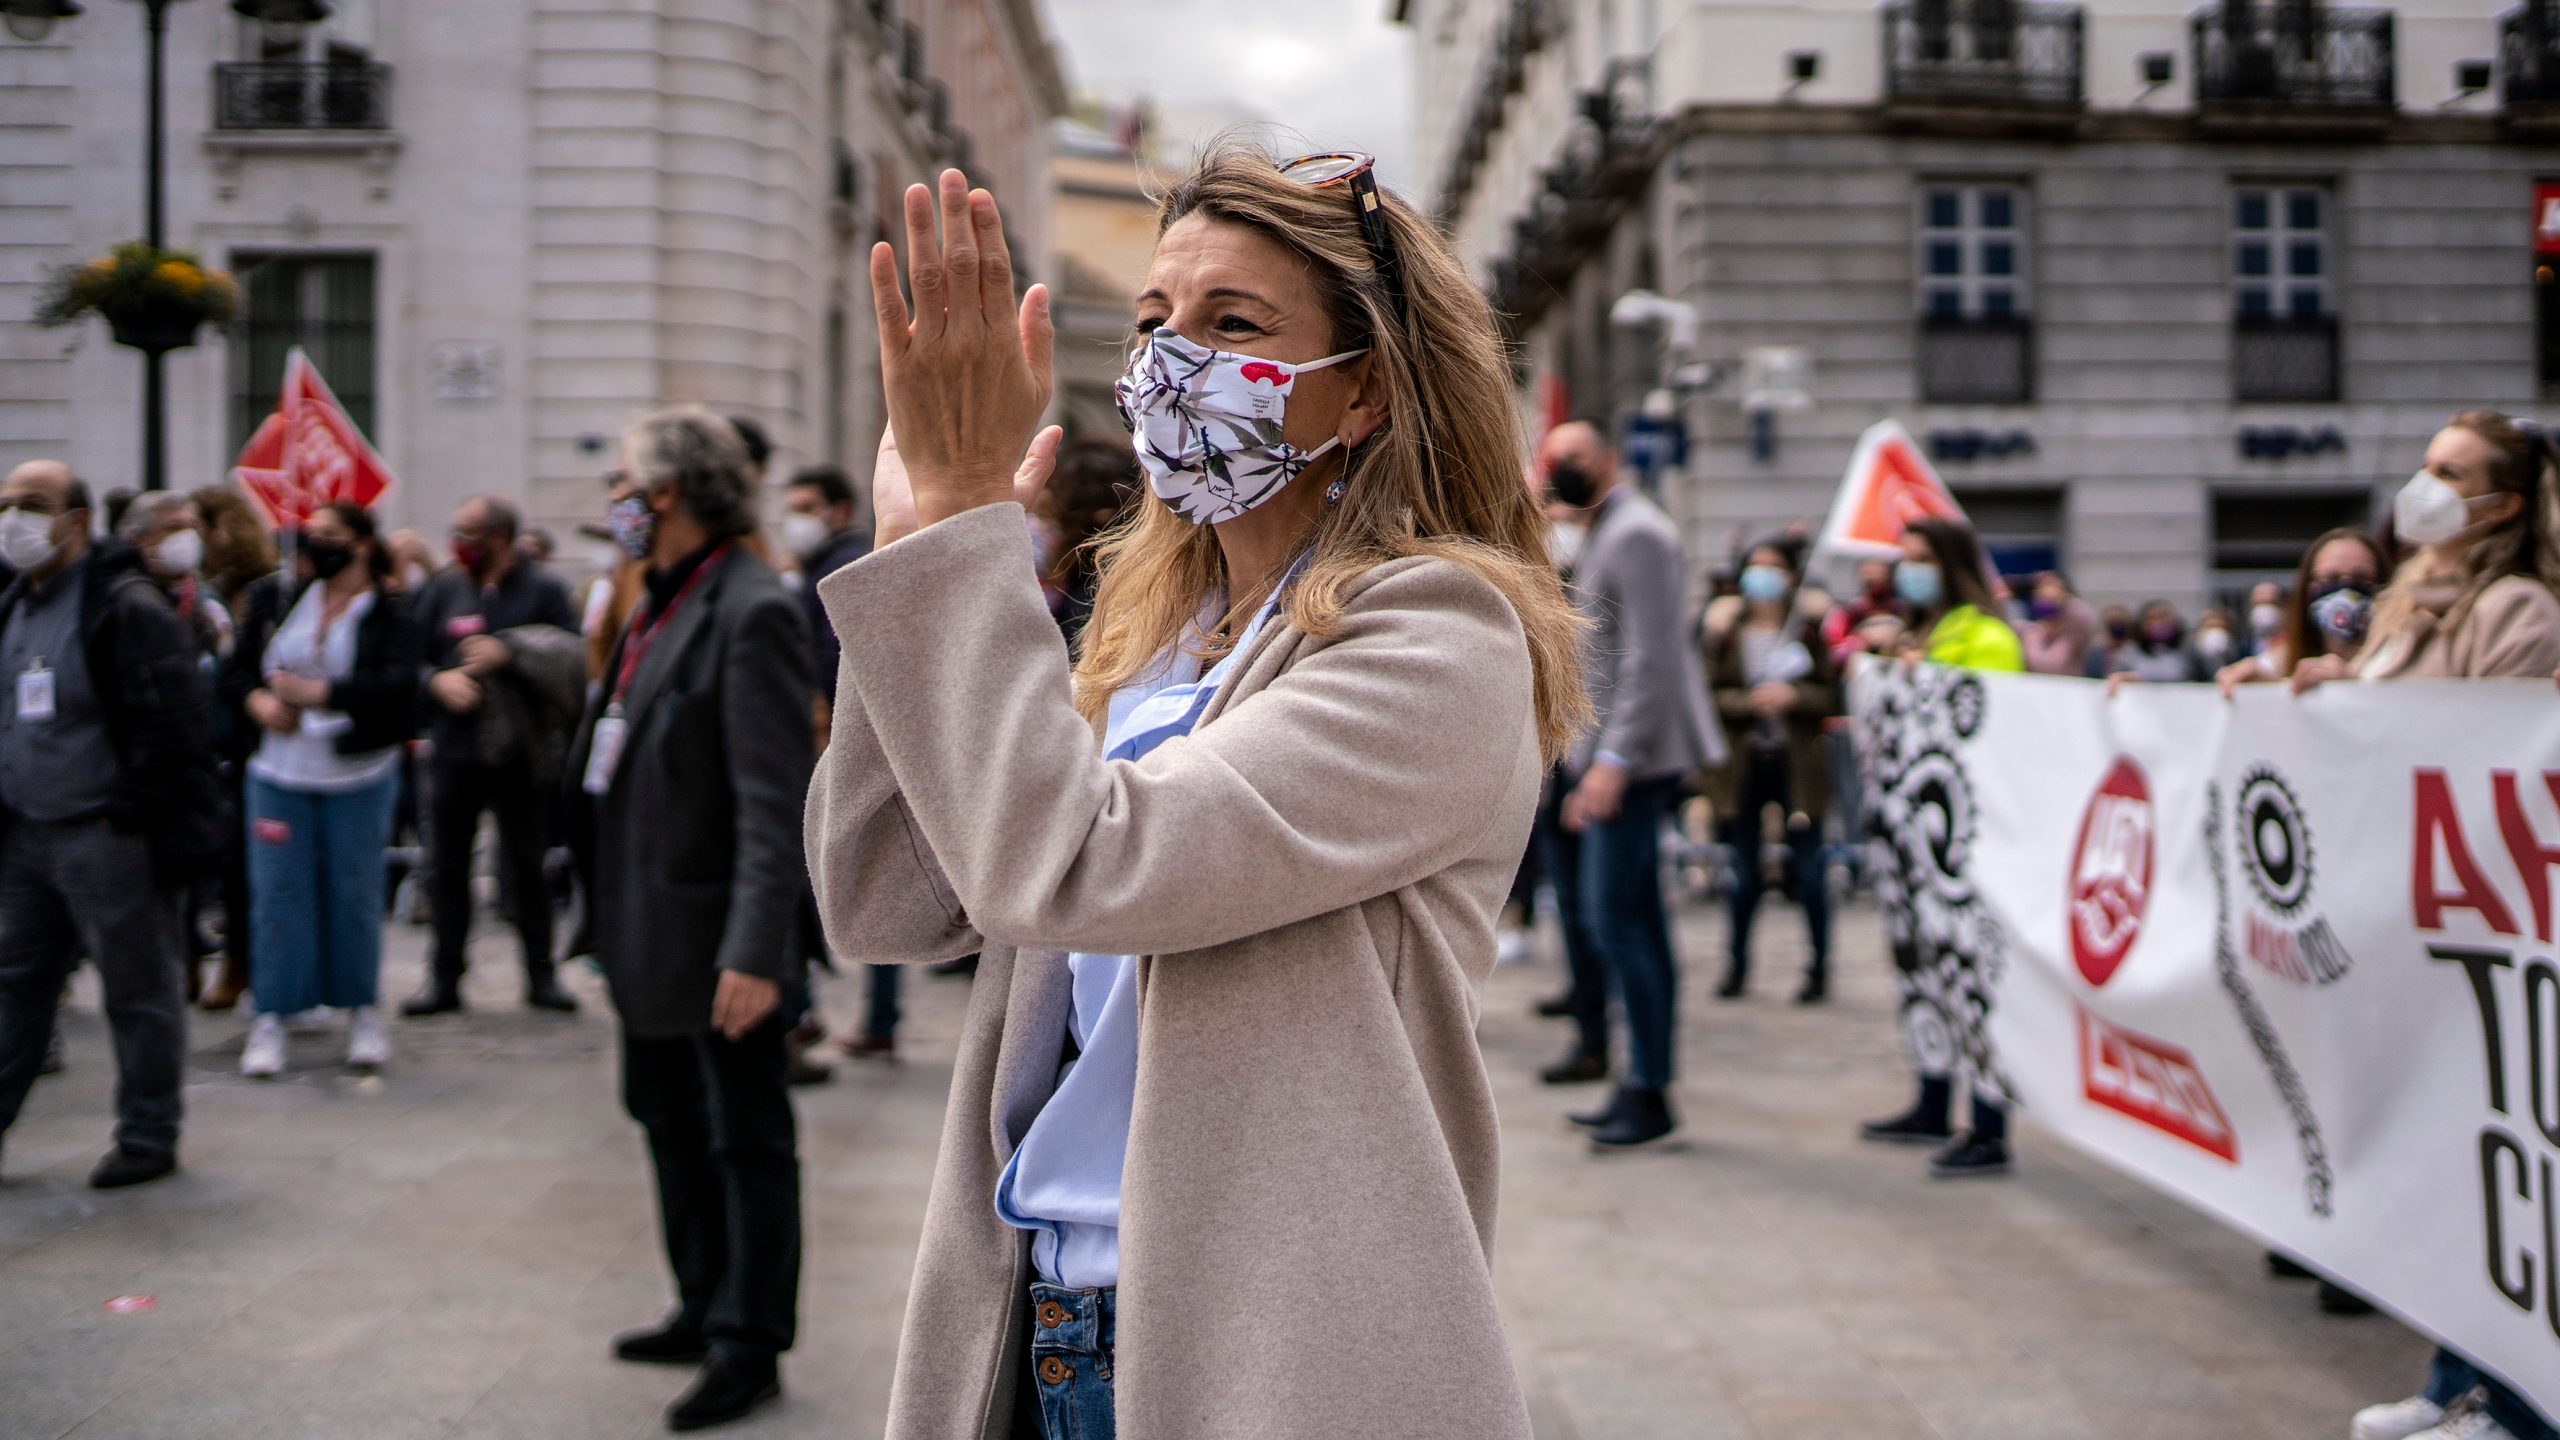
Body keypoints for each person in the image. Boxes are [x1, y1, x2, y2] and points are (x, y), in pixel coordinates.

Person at [807, 154, 1583, 1440]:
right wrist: (912, 557)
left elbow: (1079, 870)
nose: (1172, 360)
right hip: (1042, 1327)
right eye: (1158, 320)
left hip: (1259, 1349)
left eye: (1234, 325)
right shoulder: (1153, 635)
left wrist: (962, 531)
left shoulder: (1441, 639)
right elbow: (888, 901)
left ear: (1369, 389)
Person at [570, 409, 813, 1433]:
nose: (612, 501)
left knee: (742, 1140)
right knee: (666, 1122)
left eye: (623, 482)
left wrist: (758, 951)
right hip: (645, 931)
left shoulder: (750, 607)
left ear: (667, 494)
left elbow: (773, 799)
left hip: (718, 942)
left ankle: (747, 1341)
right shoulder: (660, 599)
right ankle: (699, 1299)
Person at [2322, 412, 2560, 1440]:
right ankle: (2451, 1375)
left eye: (2449, 472)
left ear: (2501, 505)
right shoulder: (2401, 605)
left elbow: (2484, 749)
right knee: (2440, 1165)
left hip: (2470, 927)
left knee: (2491, 1163)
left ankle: (2513, 1402)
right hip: (2404, 930)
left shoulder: (2514, 609)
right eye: (2423, 464)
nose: (2423, 485)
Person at [0, 460, 221, 1189]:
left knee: (137, 988)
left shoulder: (124, 605)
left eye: (32, 505)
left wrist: (127, 811)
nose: (13, 520)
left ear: (77, 521)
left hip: (105, 834)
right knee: (17, 986)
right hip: (28, 836)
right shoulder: (15, 603)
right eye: (4, 505)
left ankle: (148, 1136)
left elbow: (180, 723)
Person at [1537, 417, 1722, 1148]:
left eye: (1575, 458)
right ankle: (1640, 1081)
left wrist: (1612, 763)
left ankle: (1647, 1086)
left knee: (1619, 922)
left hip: (1633, 764)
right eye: (1555, 459)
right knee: (1628, 921)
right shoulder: (1614, 528)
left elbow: (1651, 658)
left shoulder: (1637, 532)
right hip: (1613, 758)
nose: (1564, 469)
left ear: (1608, 460)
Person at [226, 502, 420, 1076]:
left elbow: (398, 686)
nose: (317, 546)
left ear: (362, 544)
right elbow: (235, 671)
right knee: (278, 894)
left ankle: (360, 1009)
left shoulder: (391, 612)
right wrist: (258, 702)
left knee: (353, 893)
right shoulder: (277, 599)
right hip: (278, 773)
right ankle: (274, 1013)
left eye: (332, 536)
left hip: (357, 773)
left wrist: (325, 696)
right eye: (313, 536)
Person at [1863, 515, 2022, 1177]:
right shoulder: (1918, 635)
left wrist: (1917, 677)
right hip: (1911, 844)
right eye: (1903, 559)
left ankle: (1988, 1124)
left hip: (1966, 844)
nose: (1909, 571)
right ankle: (1933, 1097)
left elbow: (1992, 719)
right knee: (1922, 967)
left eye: (1921, 558)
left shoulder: (1986, 637)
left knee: (1972, 976)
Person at [409, 494, 583, 1015]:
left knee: (528, 867)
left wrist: (513, 651)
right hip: (455, 752)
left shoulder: (546, 590)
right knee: (445, 867)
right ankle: (443, 979)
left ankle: (541, 976)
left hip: (521, 754)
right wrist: (437, 682)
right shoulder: (444, 588)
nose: (459, 545)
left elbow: (573, 658)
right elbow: (410, 659)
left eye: (470, 535)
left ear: (501, 539)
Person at [1702, 537, 1837, 1004]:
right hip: (1744, 766)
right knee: (1743, 873)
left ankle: (1820, 966)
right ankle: (1736, 964)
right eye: (1754, 567)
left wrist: (1794, 698)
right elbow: (1709, 692)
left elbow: (1831, 694)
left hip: (1797, 765)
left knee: (1810, 870)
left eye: (1772, 567)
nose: (1762, 577)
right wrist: (1747, 702)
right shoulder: (1726, 631)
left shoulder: (1806, 630)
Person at [191, 485, 288, 1012]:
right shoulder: (200, 592)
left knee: (245, 865)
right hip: (208, 742)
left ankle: (243, 963)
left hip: (250, 744)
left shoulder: (262, 594)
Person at [2217, 527, 2388, 692]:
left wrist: (2353, 688)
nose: (2345, 590)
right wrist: (2268, 691)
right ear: (2307, 588)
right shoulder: (2277, 662)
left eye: (2362, 579)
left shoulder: (2399, 664)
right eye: (2330, 579)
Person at [2019, 570, 2096, 677]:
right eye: (2040, 588)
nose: (2045, 591)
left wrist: (2063, 598)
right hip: (2033, 691)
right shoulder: (2029, 632)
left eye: (2051, 586)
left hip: (2069, 691)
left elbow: (2087, 616)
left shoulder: (2074, 632)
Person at [2244, 578, 2286, 657]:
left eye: (2271, 603)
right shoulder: (2245, 645)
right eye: (2258, 603)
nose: (2263, 609)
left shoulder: (2293, 643)